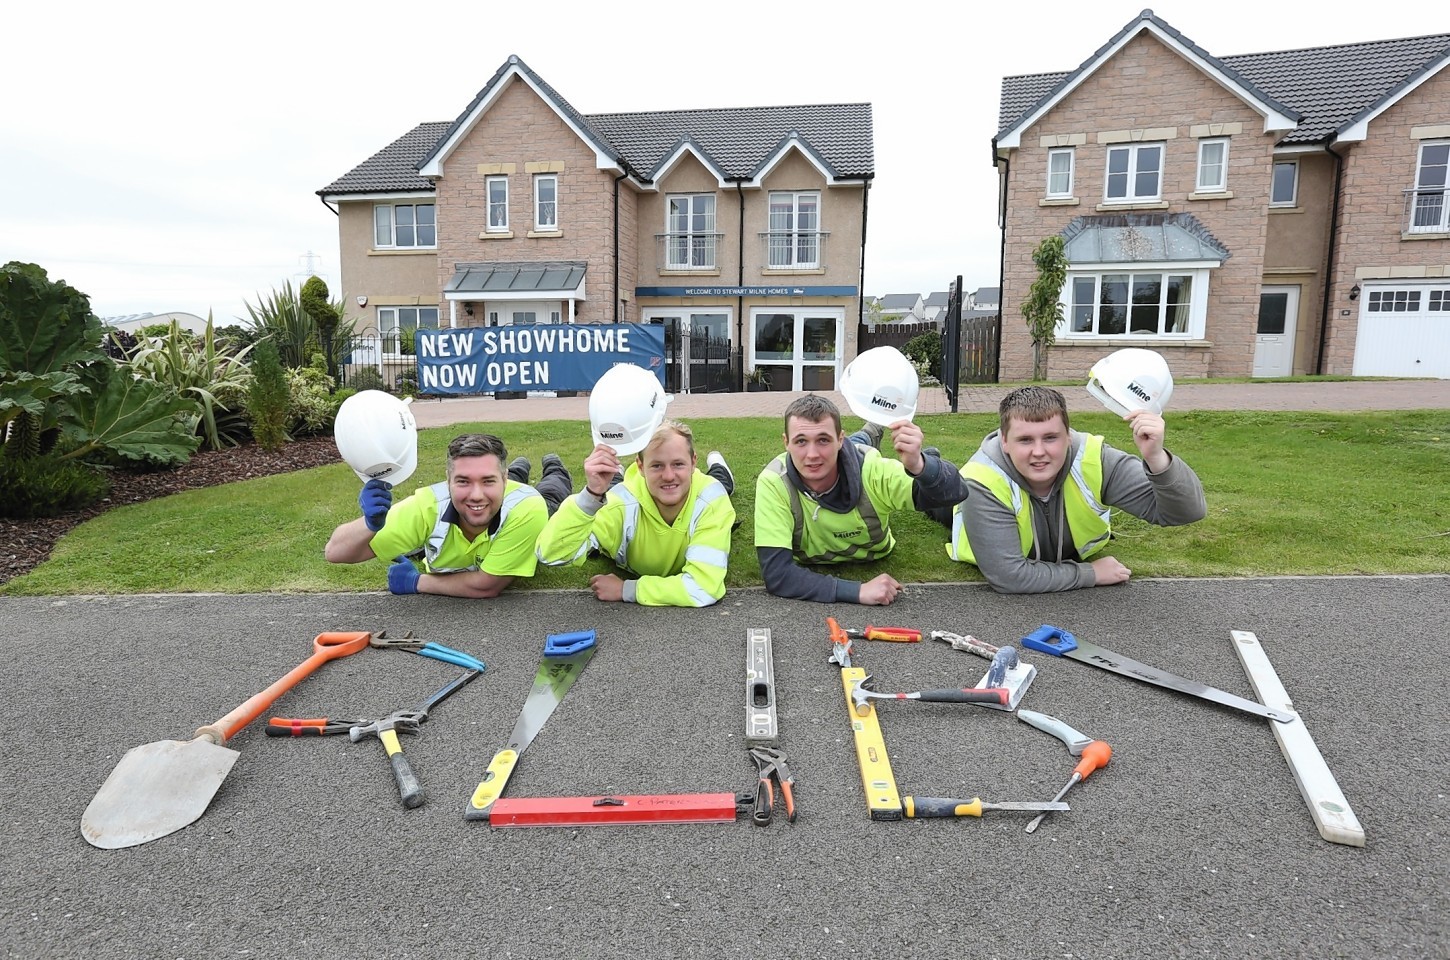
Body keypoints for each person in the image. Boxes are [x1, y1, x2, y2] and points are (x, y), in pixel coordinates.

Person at [933, 385, 1206, 594]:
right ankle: (931, 466)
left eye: (1051, 438)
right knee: (941, 501)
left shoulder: (1095, 459)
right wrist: (1091, 574)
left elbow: (1186, 512)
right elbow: (1008, 576)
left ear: (1068, 435)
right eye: (1025, 440)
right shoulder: (981, 480)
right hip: (968, 508)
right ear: (1004, 441)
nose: (1039, 452)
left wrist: (1156, 458)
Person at [754, 394, 967, 606]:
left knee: (857, 454)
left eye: (823, 440)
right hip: (845, 454)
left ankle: (867, 437)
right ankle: (869, 433)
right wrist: (857, 591)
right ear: (786, 443)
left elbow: (957, 492)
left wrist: (920, 465)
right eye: (801, 441)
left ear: (839, 439)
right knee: (851, 449)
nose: (812, 454)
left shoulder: (873, 471)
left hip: (853, 459)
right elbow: (777, 575)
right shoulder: (774, 482)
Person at [325, 433, 571, 598]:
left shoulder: (527, 509)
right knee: (484, 498)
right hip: (497, 498)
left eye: (488, 479)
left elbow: (488, 585)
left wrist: (416, 582)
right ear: (448, 480)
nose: (475, 494)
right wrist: (369, 525)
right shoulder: (425, 507)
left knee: (553, 490)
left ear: (503, 480)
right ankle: (518, 468)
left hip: (530, 504)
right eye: (463, 481)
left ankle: (553, 465)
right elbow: (335, 552)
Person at [535, 419, 736, 606]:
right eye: (656, 465)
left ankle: (718, 465)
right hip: (632, 489)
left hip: (691, 485)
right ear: (640, 466)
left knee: (722, 483)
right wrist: (591, 494)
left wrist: (627, 589)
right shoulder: (619, 504)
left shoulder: (712, 499)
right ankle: (621, 473)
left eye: (678, 464)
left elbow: (703, 587)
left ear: (693, 462)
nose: (668, 475)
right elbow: (551, 554)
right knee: (614, 485)